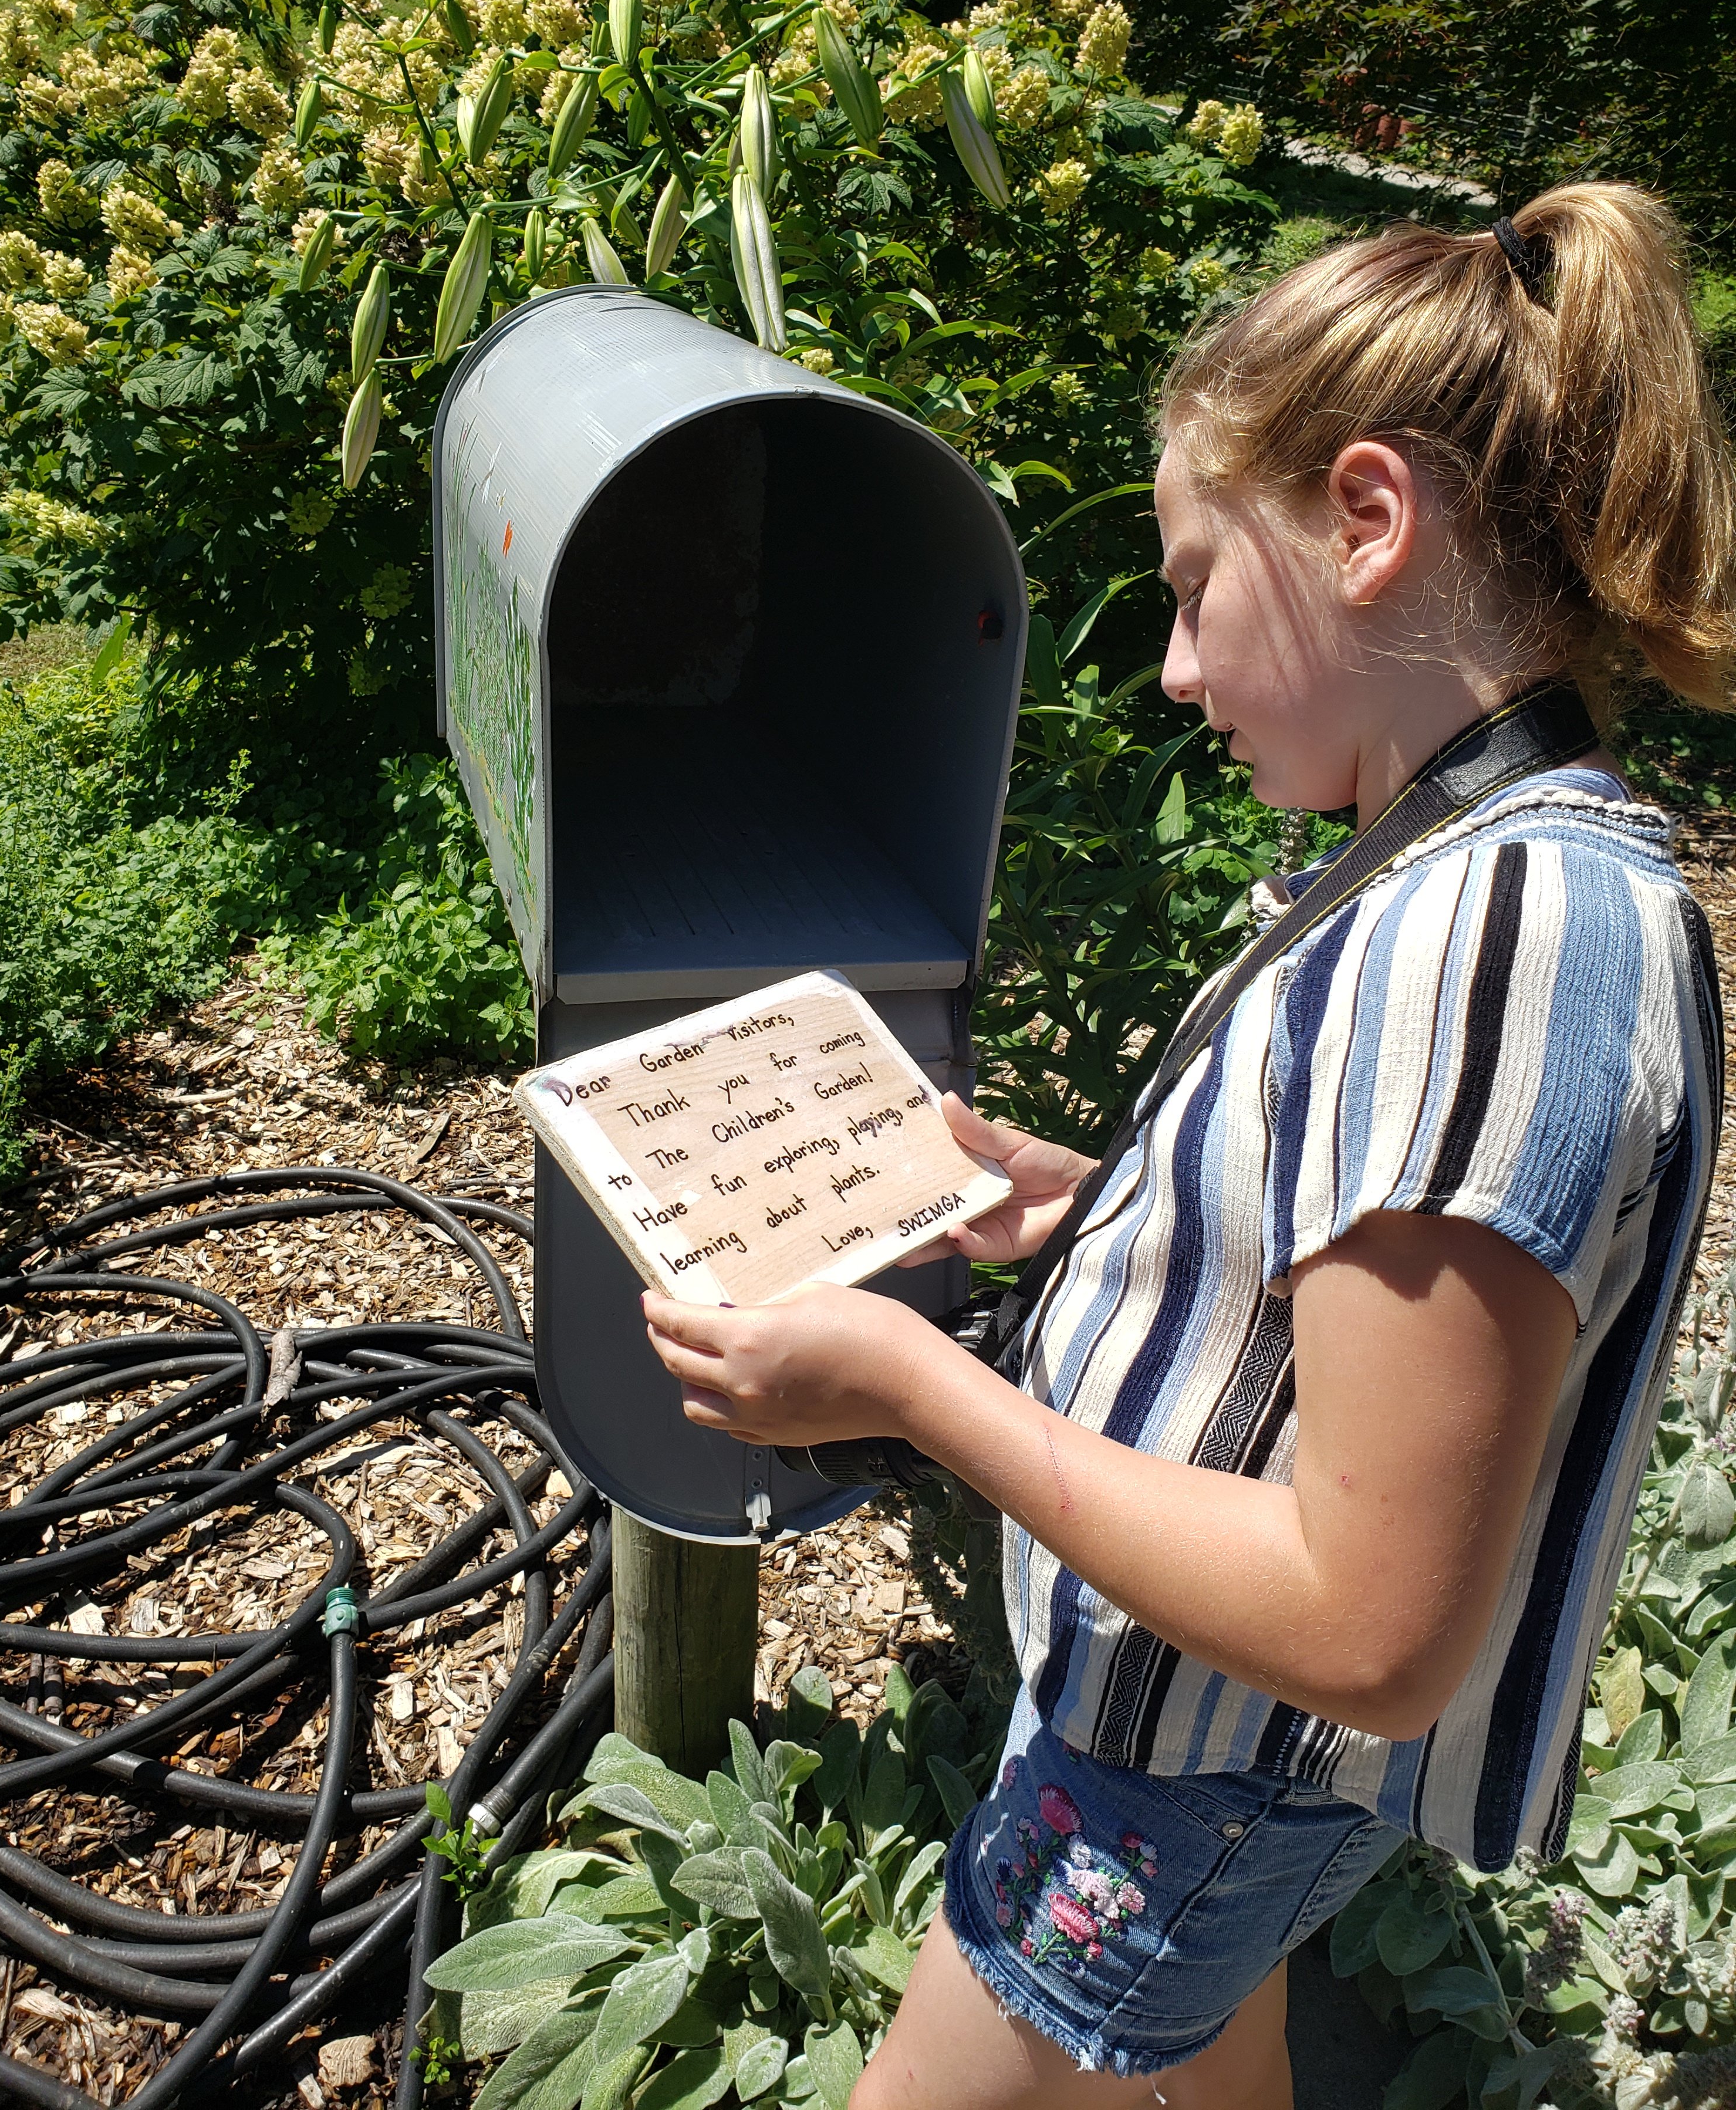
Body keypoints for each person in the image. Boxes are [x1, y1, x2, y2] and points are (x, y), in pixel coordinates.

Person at [642, 183, 1735, 2108]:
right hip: (1193, 1746)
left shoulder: (1505, 941)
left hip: (1180, 1776)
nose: (1172, 667)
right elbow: (1357, 1266)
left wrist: (904, 1380)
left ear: (1370, 525)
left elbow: (1371, 1625)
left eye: (1194, 582)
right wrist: (1096, 1206)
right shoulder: (1455, 862)